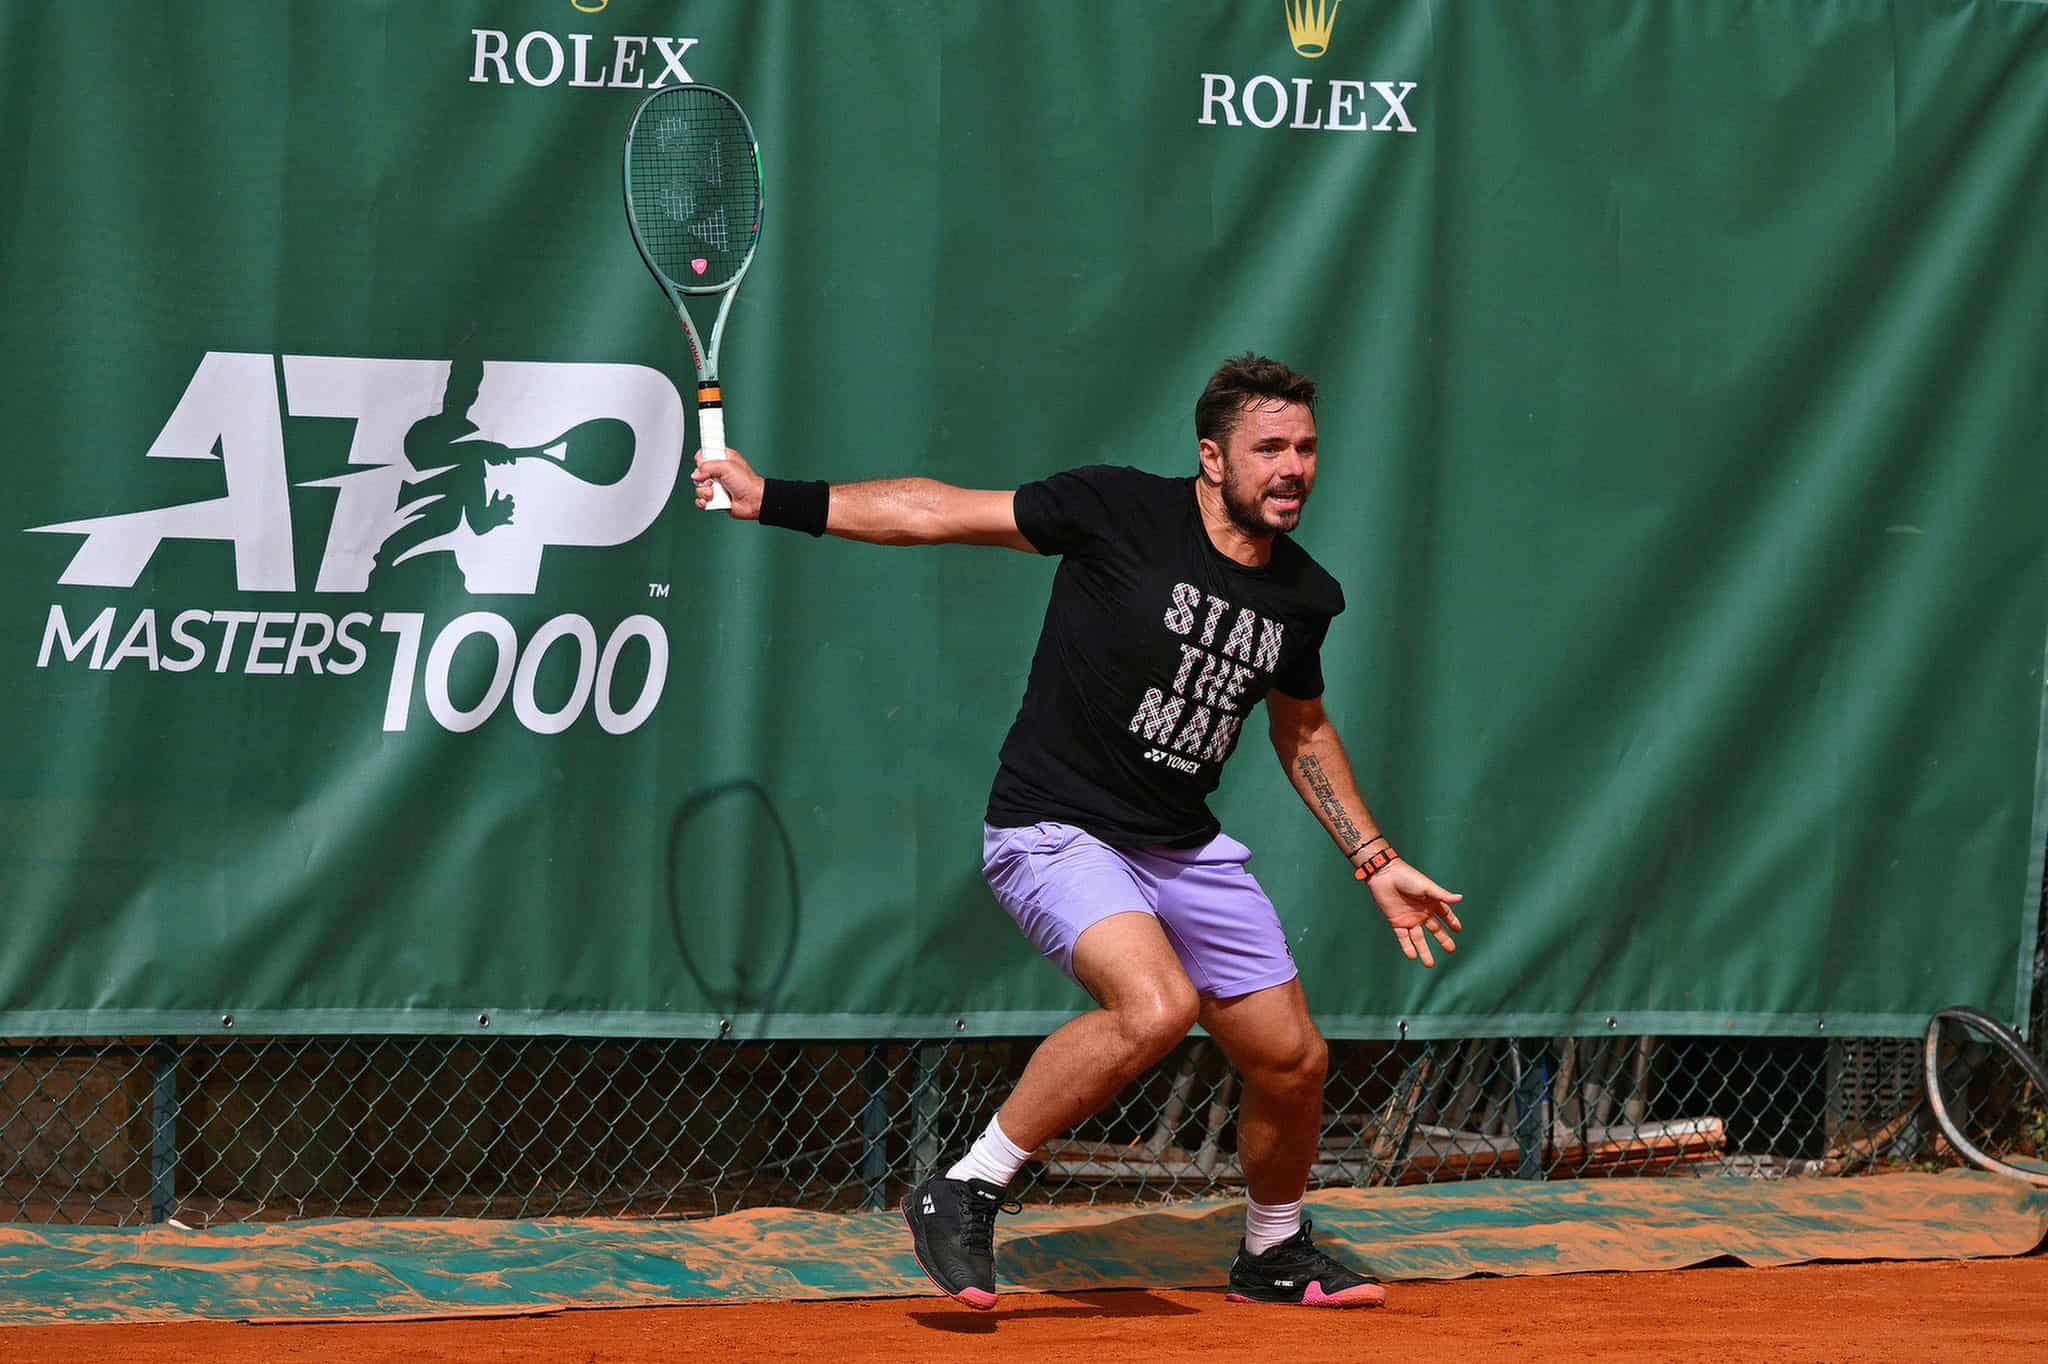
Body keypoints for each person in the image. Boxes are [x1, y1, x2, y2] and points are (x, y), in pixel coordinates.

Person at [692, 354, 1464, 1311]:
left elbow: (1300, 725)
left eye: (1306, 447)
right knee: (1154, 1006)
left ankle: (1273, 1249)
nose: (1294, 466)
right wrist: (770, 497)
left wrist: (1375, 859)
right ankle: (967, 1185)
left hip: (1181, 843)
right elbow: (938, 511)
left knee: (1292, 1059)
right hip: (1053, 829)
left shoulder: (1303, 596)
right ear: (1212, 459)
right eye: (1269, 448)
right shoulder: (1116, 510)